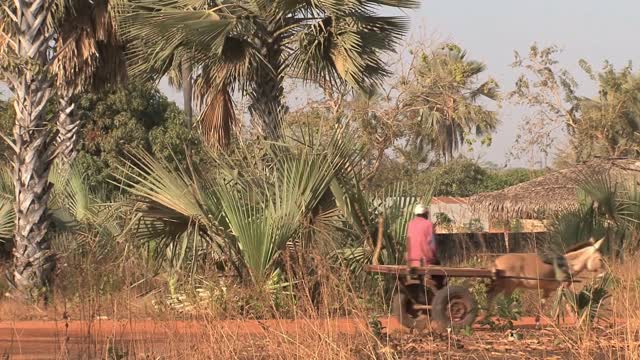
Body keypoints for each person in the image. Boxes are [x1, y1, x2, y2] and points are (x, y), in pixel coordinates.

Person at [406, 203, 445, 288]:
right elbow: (433, 245)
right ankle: (440, 290)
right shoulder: (428, 224)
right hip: (425, 261)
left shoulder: (410, 224)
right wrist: (435, 256)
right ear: (425, 214)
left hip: (411, 261)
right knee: (440, 272)